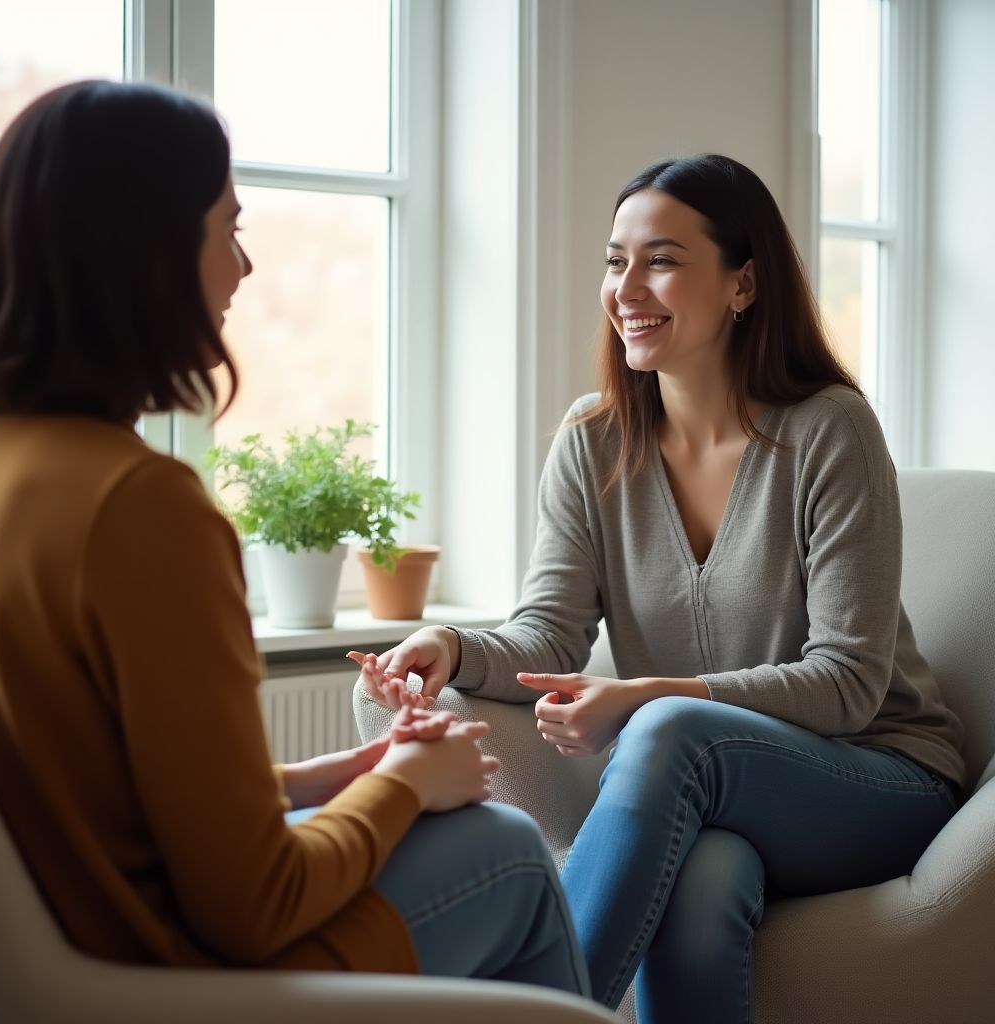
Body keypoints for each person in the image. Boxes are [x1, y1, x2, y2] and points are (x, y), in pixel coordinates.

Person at [0, 80, 589, 995]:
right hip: (167, 970)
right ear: (148, 257)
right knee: (503, 846)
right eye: (229, 229)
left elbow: (102, 790)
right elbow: (254, 901)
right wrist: (410, 783)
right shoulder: (142, 508)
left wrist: (319, 779)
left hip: (66, 951)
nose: (244, 269)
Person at [356, 154, 966, 1022]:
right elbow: (547, 638)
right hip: (719, 793)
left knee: (672, 728)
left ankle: (527, 1012)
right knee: (704, 878)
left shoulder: (830, 430)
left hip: (878, 780)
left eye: (664, 260)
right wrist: (451, 648)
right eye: (616, 260)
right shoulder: (593, 440)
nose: (627, 287)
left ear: (743, 284)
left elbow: (849, 683)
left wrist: (648, 696)